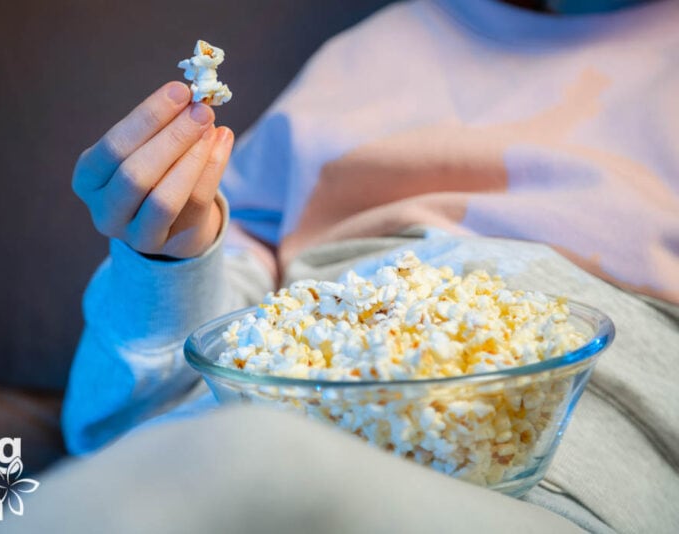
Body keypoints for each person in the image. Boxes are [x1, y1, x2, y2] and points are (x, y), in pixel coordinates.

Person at [59, 0, 679, 532]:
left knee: (245, 463)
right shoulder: (375, 50)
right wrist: (167, 254)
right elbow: (114, 425)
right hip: (283, 415)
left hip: (551, 479)